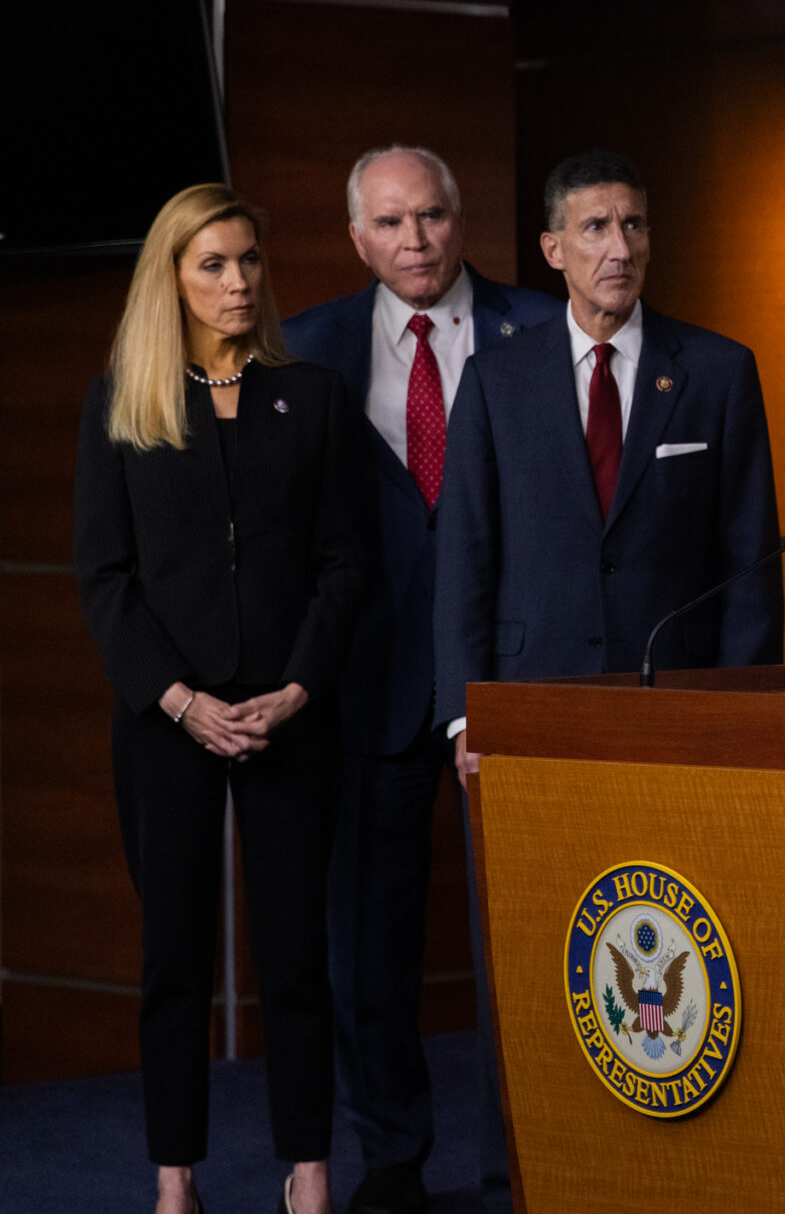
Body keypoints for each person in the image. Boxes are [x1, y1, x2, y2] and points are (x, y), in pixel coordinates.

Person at [434, 149, 781, 1211]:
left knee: (677, 939)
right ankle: (525, 1169)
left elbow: (747, 561)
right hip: (532, 716)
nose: (619, 247)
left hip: (680, 717)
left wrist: (748, 718)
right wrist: (465, 716)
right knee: (535, 949)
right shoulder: (495, 377)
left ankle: (679, 1167)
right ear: (551, 251)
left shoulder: (716, 369)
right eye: (594, 228)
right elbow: (466, 559)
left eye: (633, 224)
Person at [73, 184, 373, 1214]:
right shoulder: (122, 400)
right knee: (174, 958)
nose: (238, 280)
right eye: (212, 263)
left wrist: (294, 688)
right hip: (167, 719)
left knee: (296, 953)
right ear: (173, 277)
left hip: (291, 710)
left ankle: (310, 1168)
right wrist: (179, 698)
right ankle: (175, 1175)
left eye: (248, 259)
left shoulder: (316, 396)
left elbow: (346, 565)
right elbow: (105, 579)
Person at [280, 146, 558, 1214]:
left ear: (462, 218)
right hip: (368, 681)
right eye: (390, 223)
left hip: (512, 675)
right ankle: (391, 1156)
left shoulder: (543, 329)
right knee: (368, 945)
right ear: (358, 239)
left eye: (433, 216)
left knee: (537, 933)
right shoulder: (306, 347)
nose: (415, 240)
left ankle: (530, 1151)